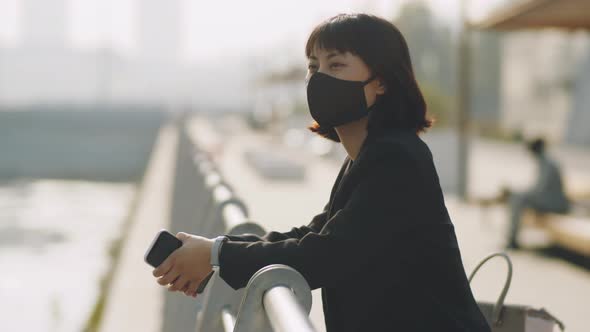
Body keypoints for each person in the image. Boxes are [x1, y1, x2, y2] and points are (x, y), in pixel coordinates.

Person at [151, 13, 490, 331]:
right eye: (313, 67)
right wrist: (216, 252)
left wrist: (216, 256)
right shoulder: (365, 157)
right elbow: (313, 233)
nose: (318, 78)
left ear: (382, 82)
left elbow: (327, 255)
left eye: (336, 65)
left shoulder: (398, 160)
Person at [506, 138, 570, 249]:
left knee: (518, 198)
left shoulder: (548, 164)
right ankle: (512, 238)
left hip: (555, 204)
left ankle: (512, 240)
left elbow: (539, 189)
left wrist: (518, 192)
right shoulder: (545, 161)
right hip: (550, 201)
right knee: (517, 197)